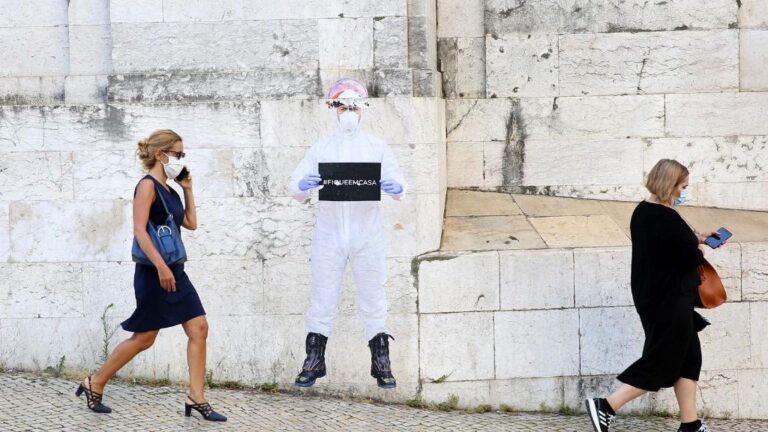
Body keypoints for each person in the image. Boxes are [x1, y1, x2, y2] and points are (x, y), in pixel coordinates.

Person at [75, 129, 226, 422]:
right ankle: (95, 381)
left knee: (199, 329)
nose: (181, 159)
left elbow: (192, 224)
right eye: (178, 154)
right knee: (145, 338)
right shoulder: (146, 187)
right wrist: (160, 266)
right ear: (161, 155)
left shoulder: (170, 190)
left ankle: (197, 397)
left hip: (175, 271)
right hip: (154, 272)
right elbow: (139, 230)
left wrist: (188, 188)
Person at [585, 159, 723, 432]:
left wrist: (698, 237)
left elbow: (668, 247)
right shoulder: (665, 217)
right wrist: (700, 249)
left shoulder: (645, 212)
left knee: (689, 359)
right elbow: (687, 256)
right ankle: (606, 405)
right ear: (669, 186)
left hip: (661, 299)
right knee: (663, 361)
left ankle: (690, 424)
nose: (685, 191)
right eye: (682, 186)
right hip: (668, 302)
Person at [289, 78, 406, 389]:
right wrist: (304, 185)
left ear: (362, 109)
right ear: (333, 109)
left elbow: (397, 180)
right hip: (329, 234)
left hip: (367, 234)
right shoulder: (321, 148)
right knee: (322, 295)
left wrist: (396, 187)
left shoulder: (377, 147)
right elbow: (295, 185)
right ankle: (314, 359)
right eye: (342, 105)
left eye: (354, 105)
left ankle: (381, 362)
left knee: (374, 295)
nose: (348, 110)